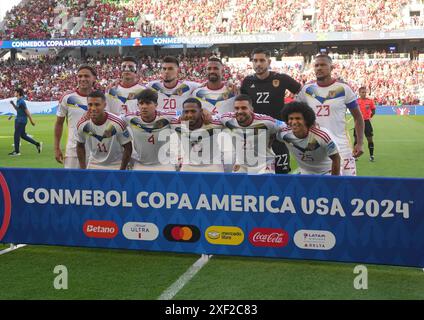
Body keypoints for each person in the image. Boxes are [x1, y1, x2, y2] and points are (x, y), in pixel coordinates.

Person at [297, 54, 364, 176]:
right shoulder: (307, 90)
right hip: (315, 148)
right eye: (316, 65)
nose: (319, 68)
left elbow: (358, 117)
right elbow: (295, 115)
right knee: (319, 189)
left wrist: (359, 143)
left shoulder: (343, 88)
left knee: (348, 186)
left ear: (331, 67)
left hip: (342, 146)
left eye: (323, 65)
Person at [240, 48, 301, 174]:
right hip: (256, 137)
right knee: (255, 174)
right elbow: (242, 107)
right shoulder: (247, 82)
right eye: (255, 60)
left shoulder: (282, 79)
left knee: (281, 175)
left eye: (262, 60)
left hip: (278, 136)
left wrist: (296, 114)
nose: (258, 64)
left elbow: (302, 92)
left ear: (269, 62)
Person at [220, 94, 285, 174]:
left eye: (244, 108)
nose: (239, 111)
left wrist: (274, 136)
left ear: (251, 109)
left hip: (263, 165)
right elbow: (213, 118)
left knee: (263, 185)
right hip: (242, 164)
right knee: (236, 185)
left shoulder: (266, 122)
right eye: (236, 108)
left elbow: (286, 126)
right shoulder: (227, 119)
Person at [277, 101, 341, 175]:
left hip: (326, 173)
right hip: (305, 174)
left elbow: (336, 158)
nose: (294, 122)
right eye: (291, 118)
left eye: (298, 118)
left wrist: (334, 181)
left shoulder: (322, 135)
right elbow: (272, 133)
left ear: (306, 120)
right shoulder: (283, 133)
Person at [122, 89, 177, 171]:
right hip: (140, 164)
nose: (144, 107)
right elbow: (113, 120)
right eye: (141, 103)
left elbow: (186, 115)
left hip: (165, 164)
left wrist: (203, 111)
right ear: (137, 105)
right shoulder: (129, 118)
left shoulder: (168, 117)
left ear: (156, 104)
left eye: (148, 103)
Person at [76, 90, 132, 170]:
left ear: (104, 105)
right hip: (94, 164)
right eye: (90, 105)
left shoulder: (117, 123)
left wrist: (122, 170)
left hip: (116, 164)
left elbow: (128, 147)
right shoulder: (82, 124)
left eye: (97, 104)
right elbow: (80, 146)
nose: (93, 108)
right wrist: (83, 169)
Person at [54, 64, 96, 168]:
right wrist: (56, 148)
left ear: (94, 78)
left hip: (97, 151)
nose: (82, 79)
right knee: (72, 183)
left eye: (86, 76)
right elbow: (59, 123)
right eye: (80, 76)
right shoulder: (67, 97)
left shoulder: (102, 98)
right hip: (73, 150)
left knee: (95, 184)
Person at [173, 98, 224, 172]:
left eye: (193, 111)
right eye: (186, 112)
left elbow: (227, 116)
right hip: (188, 166)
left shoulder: (215, 123)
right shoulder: (177, 122)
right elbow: (163, 114)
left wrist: (208, 112)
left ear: (201, 112)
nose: (189, 115)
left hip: (213, 166)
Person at [8, 88, 42, 156]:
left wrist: (31, 121)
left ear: (18, 93)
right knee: (22, 135)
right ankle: (37, 144)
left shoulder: (22, 102)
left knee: (16, 135)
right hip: (20, 120)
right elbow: (18, 110)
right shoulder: (18, 101)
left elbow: (27, 112)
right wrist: (12, 104)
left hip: (21, 120)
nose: (14, 93)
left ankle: (17, 152)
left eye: (15, 92)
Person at [354, 87, 376, 162]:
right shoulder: (356, 101)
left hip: (366, 122)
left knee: (370, 139)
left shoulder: (370, 101)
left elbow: (373, 111)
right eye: (362, 92)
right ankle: (355, 155)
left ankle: (371, 155)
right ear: (359, 93)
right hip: (358, 123)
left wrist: (369, 117)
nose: (364, 94)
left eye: (365, 92)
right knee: (356, 140)